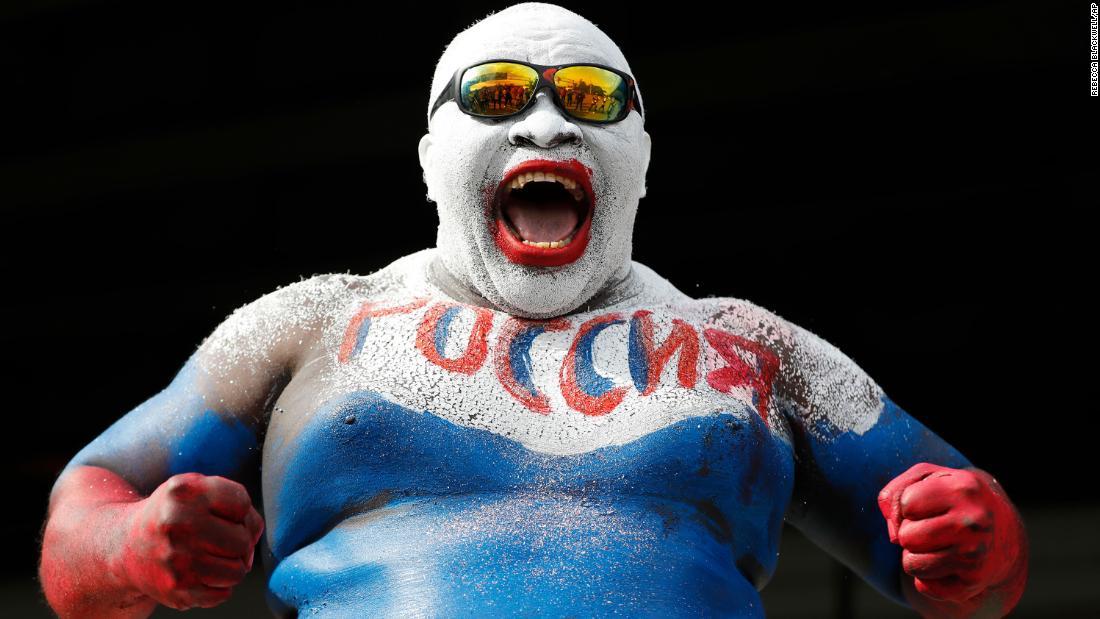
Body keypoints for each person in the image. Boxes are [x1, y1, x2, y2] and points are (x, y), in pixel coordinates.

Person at [39, 3, 1028, 618]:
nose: (547, 121)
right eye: (499, 94)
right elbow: (81, 515)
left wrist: (973, 538)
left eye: (593, 99)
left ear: (637, 157)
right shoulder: (306, 324)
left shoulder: (755, 348)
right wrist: (131, 546)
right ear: (430, 161)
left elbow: (981, 562)